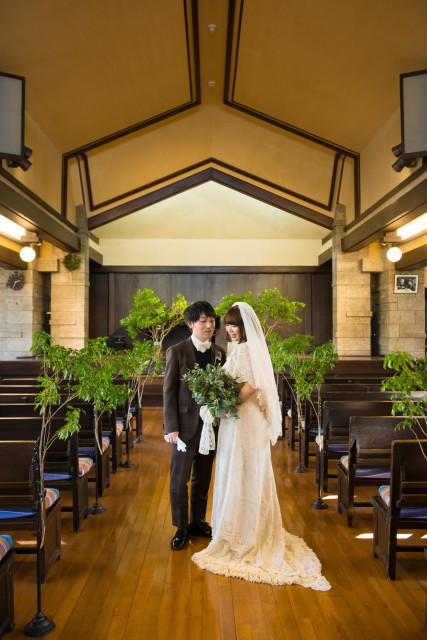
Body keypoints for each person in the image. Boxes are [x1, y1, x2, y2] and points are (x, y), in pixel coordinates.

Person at [192, 302, 331, 590]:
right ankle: (242, 529)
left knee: (241, 470)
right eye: (227, 324)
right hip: (240, 419)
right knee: (242, 471)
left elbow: (251, 386)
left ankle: (243, 536)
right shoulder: (240, 348)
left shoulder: (244, 350)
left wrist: (221, 407)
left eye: (235, 325)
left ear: (245, 327)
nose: (230, 329)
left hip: (242, 419)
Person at [163, 301, 226, 551]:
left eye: (212, 321)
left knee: (203, 477)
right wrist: (171, 428)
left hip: (211, 426)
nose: (209, 325)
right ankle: (181, 526)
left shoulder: (219, 352)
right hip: (184, 427)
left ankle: (198, 521)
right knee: (179, 480)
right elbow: (170, 392)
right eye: (204, 321)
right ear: (191, 324)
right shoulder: (176, 351)